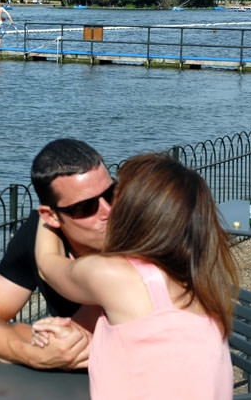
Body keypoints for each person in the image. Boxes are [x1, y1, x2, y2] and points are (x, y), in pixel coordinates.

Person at [33, 153, 238, 400]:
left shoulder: (117, 276)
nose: (107, 208)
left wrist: (53, 212)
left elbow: (48, 264)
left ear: (135, 211)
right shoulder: (203, 282)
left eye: (113, 195)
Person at [0, 138, 112, 369]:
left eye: (112, 193)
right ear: (51, 216)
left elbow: (81, 333)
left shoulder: (141, 230)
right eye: (86, 207)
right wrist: (32, 355)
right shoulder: (39, 232)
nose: (108, 211)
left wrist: (24, 334)